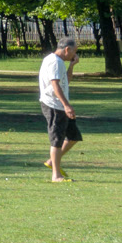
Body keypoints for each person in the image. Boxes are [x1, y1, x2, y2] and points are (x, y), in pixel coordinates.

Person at [40, 37, 82, 182]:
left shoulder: (59, 62)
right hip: (54, 105)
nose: (75, 54)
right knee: (57, 139)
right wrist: (66, 105)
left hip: (60, 104)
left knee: (73, 136)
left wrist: (72, 65)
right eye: (74, 51)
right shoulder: (54, 62)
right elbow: (55, 85)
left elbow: (66, 81)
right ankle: (56, 176)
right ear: (67, 49)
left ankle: (52, 162)